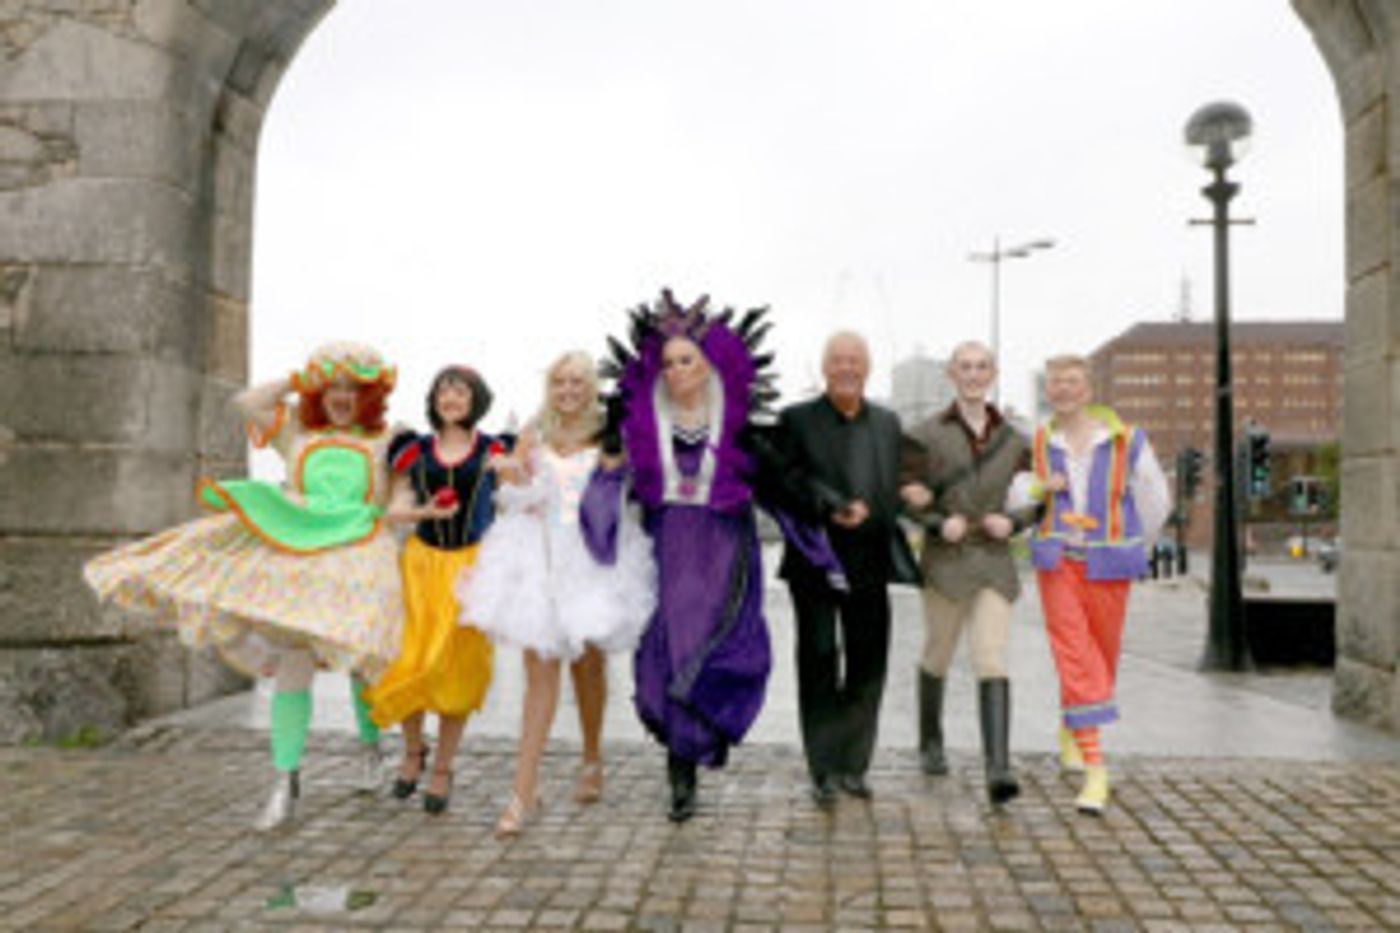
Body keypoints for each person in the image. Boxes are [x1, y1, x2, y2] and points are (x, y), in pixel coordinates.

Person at [84, 342, 406, 831]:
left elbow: (401, 492)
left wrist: (404, 513)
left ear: (371, 394)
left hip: (355, 552)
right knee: (293, 659)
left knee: (359, 658)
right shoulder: (298, 433)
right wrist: (299, 380)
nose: (342, 397)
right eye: (333, 387)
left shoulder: (388, 439)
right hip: (297, 547)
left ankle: (370, 748)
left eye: (353, 388)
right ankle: (285, 778)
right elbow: (247, 403)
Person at [597, 290, 842, 823]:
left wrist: (823, 523)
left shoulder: (739, 427)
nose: (677, 372)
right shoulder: (642, 423)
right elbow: (608, 482)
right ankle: (679, 771)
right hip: (666, 550)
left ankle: (693, 748)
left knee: (713, 650)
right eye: (668, 363)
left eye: (687, 361)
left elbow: (782, 489)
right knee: (668, 652)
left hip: (722, 552)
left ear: (710, 365)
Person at [462, 350, 655, 837]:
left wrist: (620, 462)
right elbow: (519, 495)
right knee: (539, 674)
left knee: (588, 667)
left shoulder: (611, 433)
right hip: (540, 559)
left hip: (593, 557)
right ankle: (523, 792)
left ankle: (591, 756)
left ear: (590, 387)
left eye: (576, 382)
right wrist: (511, 476)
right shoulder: (534, 431)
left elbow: (627, 491)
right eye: (559, 382)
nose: (567, 390)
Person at [1008, 354, 1170, 814]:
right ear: (1048, 390)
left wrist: (1133, 545)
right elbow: (1016, 495)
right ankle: (1096, 768)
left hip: (1109, 562)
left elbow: (1155, 500)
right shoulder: (1039, 441)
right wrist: (1040, 489)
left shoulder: (1127, 440)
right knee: (1074, 651)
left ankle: (1071, 727)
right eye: (1055, 382)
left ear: (1088, 389)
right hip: (1058, 560)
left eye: (1072, 381)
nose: (1063, 389)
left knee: (1101, 654)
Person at [777, 331, 922, 805]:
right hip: (814, 559)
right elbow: (785, 482)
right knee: (819, 659)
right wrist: (830, 506)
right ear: (824, 367)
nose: (846, 368)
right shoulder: (796, 420)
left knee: (867, 663)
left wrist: (916, 497)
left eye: (855, 360)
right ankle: (823, 768)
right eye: (838, 360)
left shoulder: (887, 422)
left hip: (870, 560)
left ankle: (854, 765)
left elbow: (898, 482)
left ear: (867, 367)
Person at [898, 340, 1034, 805]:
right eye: (965, 367)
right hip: (946, 562)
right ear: (951, 375)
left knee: (991, 656)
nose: (973, 375)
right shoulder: (924, 434)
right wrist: (938, 522)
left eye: (981, 367)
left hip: (994, 561)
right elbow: (904, 493)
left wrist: (1014, 522)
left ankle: (998, 767)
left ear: (992, 374)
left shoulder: (1016, 440)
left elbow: (1038, 498)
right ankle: (930, 739)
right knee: (938, 653)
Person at [361, 365, 500, 815]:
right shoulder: (413, 450)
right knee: (409, 662)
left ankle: (442, 767)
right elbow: (394, 509)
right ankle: (412, 750)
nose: (451, 397)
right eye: (444, 390)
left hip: (470, 569)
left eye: (461, 391)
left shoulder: (495, 449)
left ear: (476, 400)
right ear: (434, 400)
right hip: (420, 566)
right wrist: (425, 512)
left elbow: (517, 501)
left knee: (456, 668)